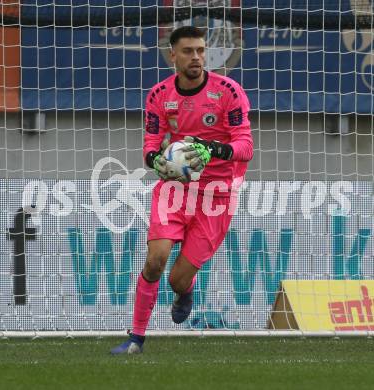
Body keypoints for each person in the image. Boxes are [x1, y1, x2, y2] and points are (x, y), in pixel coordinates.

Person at [111, 25, 253, 354]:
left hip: (217, 194)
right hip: (175, 188)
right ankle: (136, 338)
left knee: (176, 279)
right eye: (188, 51)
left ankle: (184, 290)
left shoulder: (229, 92)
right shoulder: (160, 96)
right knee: (155, 261)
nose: (197, 57)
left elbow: (245, 145)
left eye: (201, 51)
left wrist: (212, 150)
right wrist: (156, 161)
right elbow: (149, 145)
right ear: (172, 54)